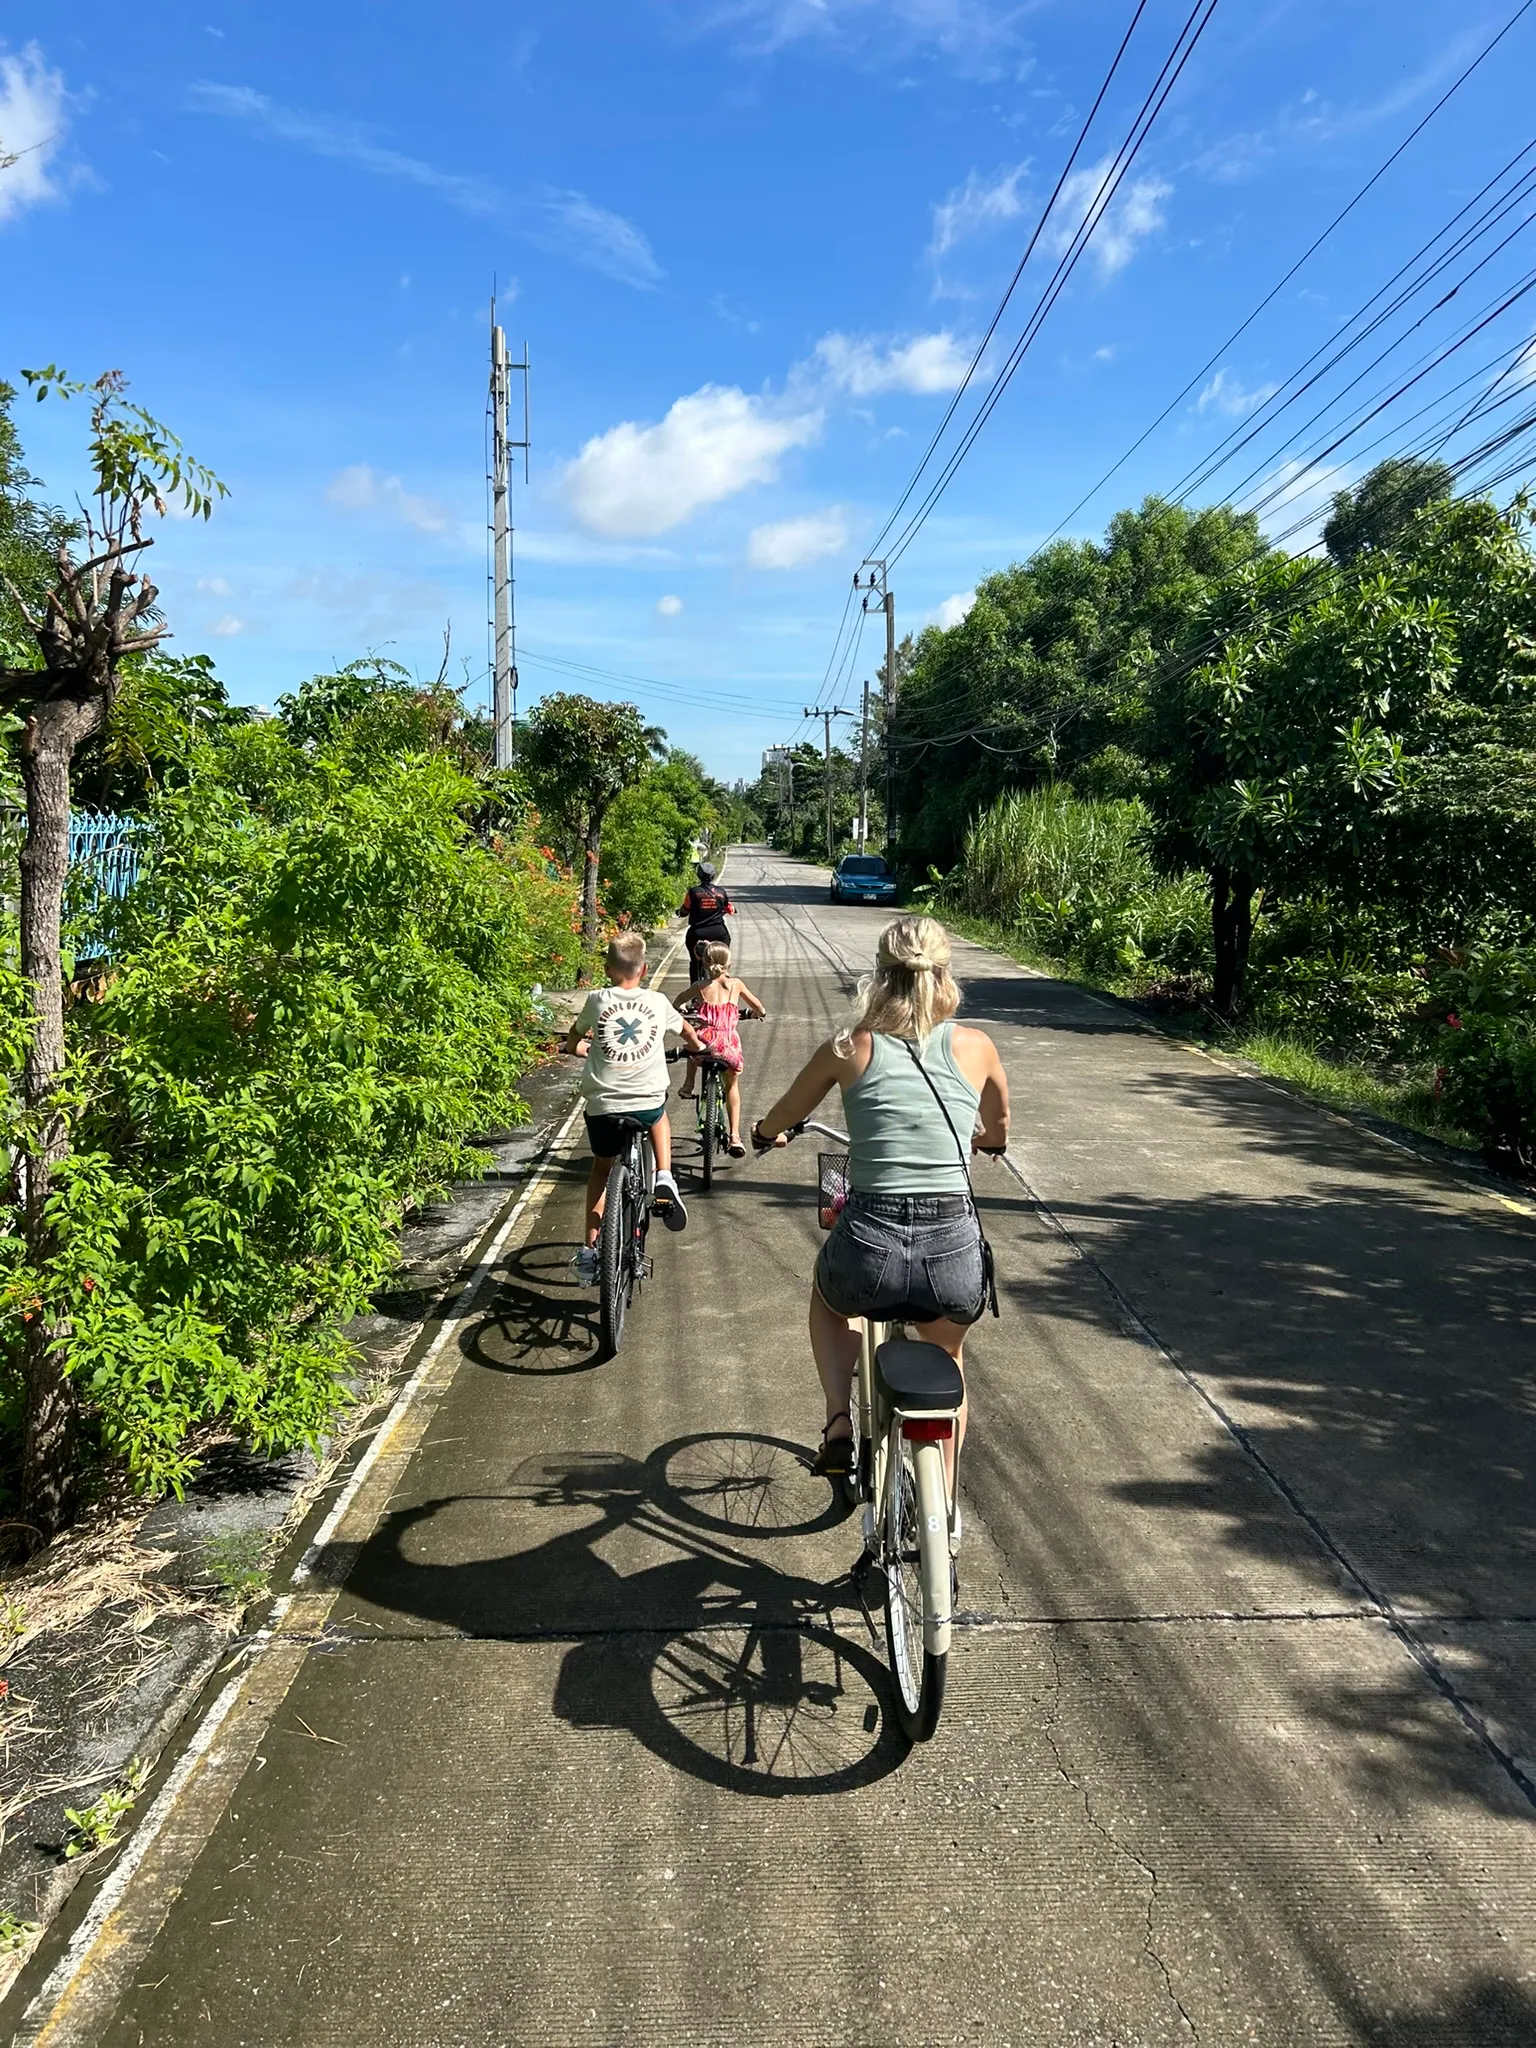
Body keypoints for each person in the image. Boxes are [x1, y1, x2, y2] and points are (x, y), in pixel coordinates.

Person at [751, 916, 1009, 1488]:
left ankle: (839, 1424)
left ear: (880, 975)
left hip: (871, 1241)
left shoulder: (848, 1046)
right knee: (949, 1357)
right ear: (944, 974)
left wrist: (768, 1133)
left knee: (828, 1302)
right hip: (952, 1249)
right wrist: (989, 1140)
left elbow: (785, 1112)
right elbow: (998, 1124)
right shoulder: (976, 1046)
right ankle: (943, 1508)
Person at [564, 930, 703, 1284]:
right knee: (659, 1115)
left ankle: (589, 1251)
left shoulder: (597, 1000)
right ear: (644, 970)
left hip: (603, 1106)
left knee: (601, 1170)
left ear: (609, 970)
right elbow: (687, 1032)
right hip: (645, 1102)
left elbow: (575, 1038)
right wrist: (698, 1045)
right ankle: (665, 1176)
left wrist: (578, 1049)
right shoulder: (657, 1002)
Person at [677, 941, 767, 1156]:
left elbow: (678, 1002)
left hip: (706, 1042)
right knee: (732, 1086)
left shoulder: (699, 986)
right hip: (728, 1045)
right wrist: (756, 1014)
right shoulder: (736, 984)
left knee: (693, 1043)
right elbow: (760, 1008)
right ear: (729, 963)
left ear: (704, 962)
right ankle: (735, 1137)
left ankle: (689, 1084)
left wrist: (683, 1009)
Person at [678, 860, 734, 982]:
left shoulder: (693, 892)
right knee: (723, 957)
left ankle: (694, 997)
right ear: (713, 876)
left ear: (698, 875)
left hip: (697, 933)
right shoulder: (721, 892)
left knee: (694, 962)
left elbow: (685, 909)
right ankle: (725, 978)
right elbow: (727, 907)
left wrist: (680, 913)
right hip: (719, 933)